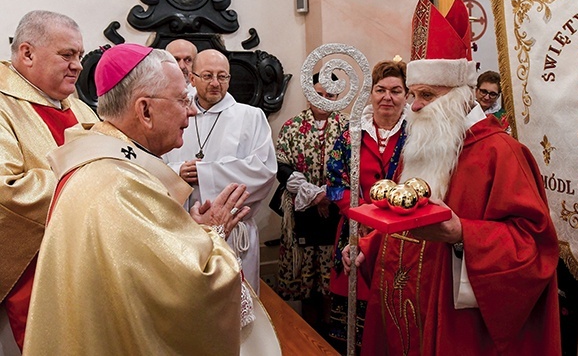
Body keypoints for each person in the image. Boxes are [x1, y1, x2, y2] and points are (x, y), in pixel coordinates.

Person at [346, 0, 561, 355]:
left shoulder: (501, 153)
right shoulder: (428, 144)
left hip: (460, 325)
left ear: (461, 97)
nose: (413, 106)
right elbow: (406, 216)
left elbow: (535, 248)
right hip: (405, 302)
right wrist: (369, 249)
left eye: (426, 94)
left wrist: (463, 234)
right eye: (412, 93)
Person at [23, 43, 262, 355]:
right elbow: (192, 287)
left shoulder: (109, 164)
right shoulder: (119, 184)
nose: (191, 111)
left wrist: (189, 230)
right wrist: (214, 234)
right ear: (145, 110)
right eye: (182, 100)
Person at [0, 10, 98, 351]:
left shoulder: (82, 110)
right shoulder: (2, 105)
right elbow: (5, 190)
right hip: (29, 271)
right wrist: (85, 181)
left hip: (83, 263)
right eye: (67, 55)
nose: (78, 66)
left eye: (80, 56)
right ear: (27, 53)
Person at [163, 49, 277, 292]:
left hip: (235, 232)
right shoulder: (174, 115)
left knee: (237, 306)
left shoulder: (250, 116)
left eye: (222, 76)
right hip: (183, 231)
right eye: (207, 76)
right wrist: (177, 172)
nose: (215, 83)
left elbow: (264, 170)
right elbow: (153, 161)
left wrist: (205, 174)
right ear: (192, 79)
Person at [326, 59, 409, 351]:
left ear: (406, 95)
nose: (387, 97)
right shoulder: (351, 135)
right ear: (370, 94)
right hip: (355, 230)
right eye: (380, 89)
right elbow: (334, 186)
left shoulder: (417, 135)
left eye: (396, 91)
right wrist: (358, 212)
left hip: (403, 233)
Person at [274, 72, 347, 335]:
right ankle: (308, 335)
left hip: (337, 211)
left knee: (331, 277)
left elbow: (354, 168)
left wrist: (328, 195)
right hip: (300, 211)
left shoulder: (348, 128)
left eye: (330, 95)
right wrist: (310, 193)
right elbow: (280, 166)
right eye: (319, 94)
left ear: (338, 97)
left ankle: (330, 334)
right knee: (305, 277)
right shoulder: (292, 126)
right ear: (309, 93)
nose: (324, 100)